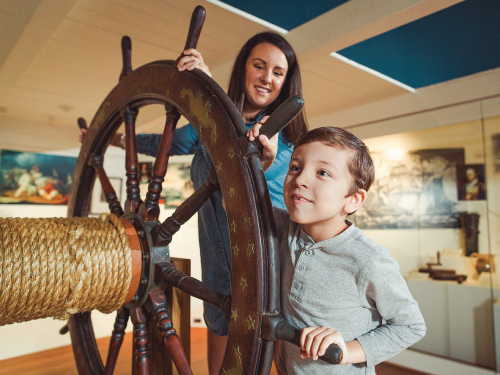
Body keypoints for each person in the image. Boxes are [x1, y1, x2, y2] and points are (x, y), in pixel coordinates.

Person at [79, 32, 308, 374]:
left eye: (278, 72)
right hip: (217, 272)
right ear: (243, 69)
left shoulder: (286, 142)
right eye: (259, 66)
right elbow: (164, 141)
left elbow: (281, 183)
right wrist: (106, 137)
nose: (266, 78)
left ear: (286, 82)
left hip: (268, 272)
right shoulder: (205, 129)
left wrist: (267, 160)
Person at [257, 126, 426, 374]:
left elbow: (411, 326)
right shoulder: (283, 228)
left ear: (353, 199)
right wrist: (263, 162)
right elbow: (241, 204)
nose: (300, 179)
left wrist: (346, 350)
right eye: (295, 167)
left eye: (322, 172)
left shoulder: (369, 259)